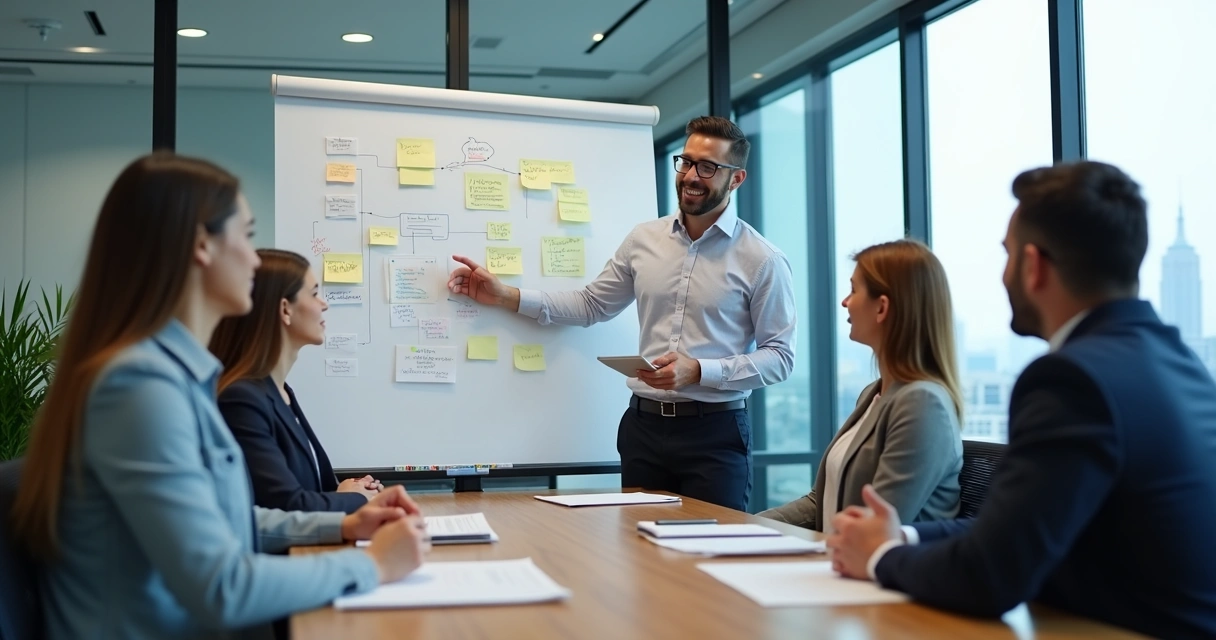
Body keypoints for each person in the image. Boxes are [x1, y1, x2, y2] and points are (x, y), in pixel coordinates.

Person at [10, 153, 428, 639]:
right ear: (201, 245)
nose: (255, 258)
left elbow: (224, 519)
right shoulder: (139, 391)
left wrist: (343, 527)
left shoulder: (172, 379)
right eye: (247, 235)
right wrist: (373, 566)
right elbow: (221, 588)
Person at [826, 161, 1216, 638]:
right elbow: (1009, 531)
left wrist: (883, 557)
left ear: (1033, 266)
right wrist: (902, 536)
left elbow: (989, 576)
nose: (1003, 274)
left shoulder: (1072, 380)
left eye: (1007, 255)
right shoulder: (1183, 364)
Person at [447, 116, 796, 511]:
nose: (691, 176)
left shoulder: (762, 259)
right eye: (686, 162)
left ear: (736, 179)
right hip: (643, 428)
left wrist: (698, 370)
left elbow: (780, 358)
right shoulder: (644, 239)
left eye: (708, 167)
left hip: (714, 432)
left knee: (708, 556)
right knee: (639, 555)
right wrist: (506, 295)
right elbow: (592, 304)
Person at [758, 240, 962, 531]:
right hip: (838, 563)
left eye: (854, 290)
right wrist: (747, 526)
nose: (845, 301)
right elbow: (822, 504)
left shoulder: (923, 404)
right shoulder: (873, 395)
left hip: (877, 573)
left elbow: (873, 528)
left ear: (882, 308)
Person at [210, 249, 382, 514]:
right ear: (285, 309)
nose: (323, 304)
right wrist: (356, 499)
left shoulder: (281, 391)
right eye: (314, 294)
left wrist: (353, 489)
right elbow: (286, 505)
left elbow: (315, 488)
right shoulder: (241, 398)